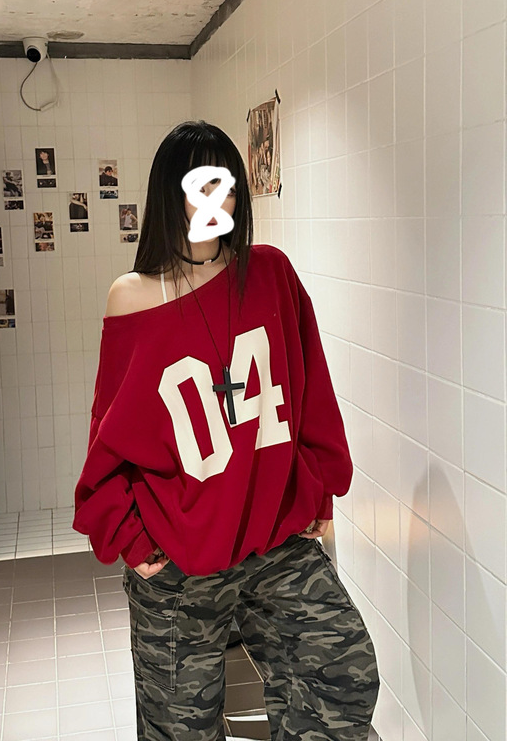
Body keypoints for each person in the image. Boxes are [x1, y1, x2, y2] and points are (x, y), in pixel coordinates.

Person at [72, 120, 379, 740]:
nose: (217, 201)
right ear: (170, 194)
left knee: (342, 673)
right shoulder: (133, 298)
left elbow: (311, 388)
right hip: (177, 559)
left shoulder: (269, 273)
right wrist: (130, 537)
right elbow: (110, 436)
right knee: (180, 728)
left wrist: (317, 489)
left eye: (228, 186)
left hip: (274, 539)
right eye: (201, 186)